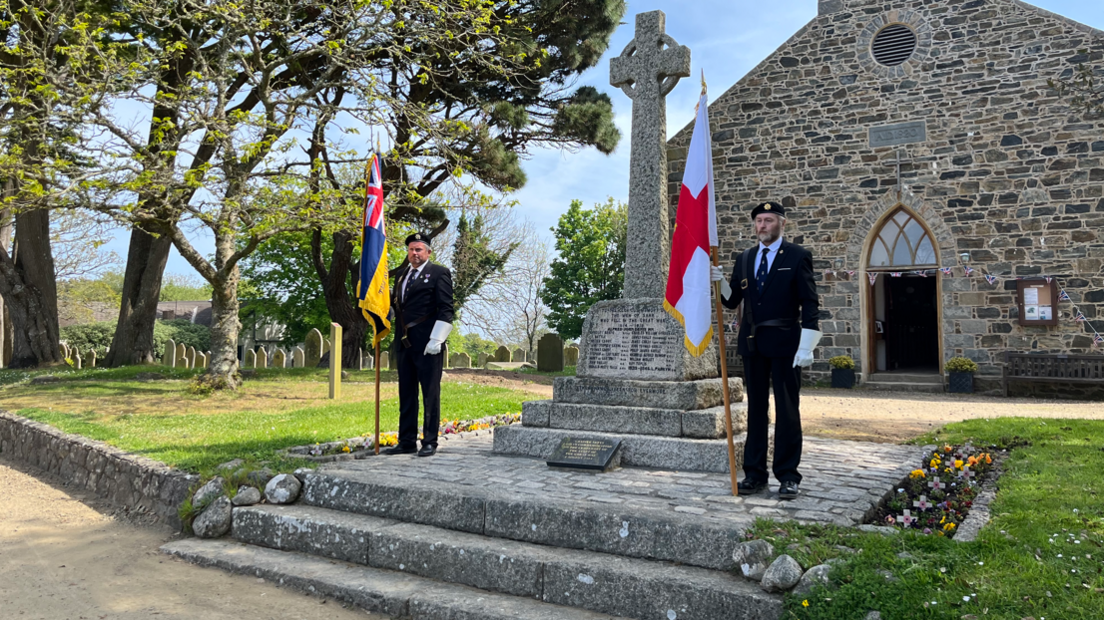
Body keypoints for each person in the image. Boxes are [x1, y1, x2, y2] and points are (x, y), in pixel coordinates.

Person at [710, 201, 821, 499]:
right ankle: (755, 473)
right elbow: (733, 301)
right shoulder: (745, 259)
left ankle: (787, 475)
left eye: (768, 220)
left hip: (786, 341)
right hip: (752, 342)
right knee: (756, 410)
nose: (762, 226)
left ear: (782, 223)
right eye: (758, 221)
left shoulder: (797, 256)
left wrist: (807, 343)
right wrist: (720, 284)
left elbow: (810, 302)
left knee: (787, 410)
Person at [384, 232, 454, 457]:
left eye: (418, 250)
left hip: (428, 343)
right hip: (404, 343)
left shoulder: (439, 273)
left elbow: (446, 308)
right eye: (411, 250)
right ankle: (406, 440)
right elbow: (399, 306)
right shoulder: (402, 275)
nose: (414, 253)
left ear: (428, 252)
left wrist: (437, 339)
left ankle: (430, 441)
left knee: (430, 393)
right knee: (406, 393)